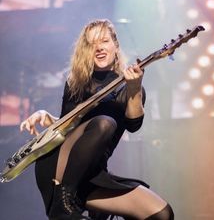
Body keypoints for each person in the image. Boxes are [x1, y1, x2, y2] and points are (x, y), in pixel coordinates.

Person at [20, 19, 174, 220]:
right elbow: (69, 127)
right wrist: (46, 116)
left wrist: (134, 88)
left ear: (115, 46)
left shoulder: (130, 87)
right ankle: (62, 200)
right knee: (104, 123)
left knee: (161, 214)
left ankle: (70, 199)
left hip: (92, 176)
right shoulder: (76, 83)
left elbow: (133, 125)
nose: (99, 48)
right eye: (92, 44)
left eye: (104, 41)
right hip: (59, 169)